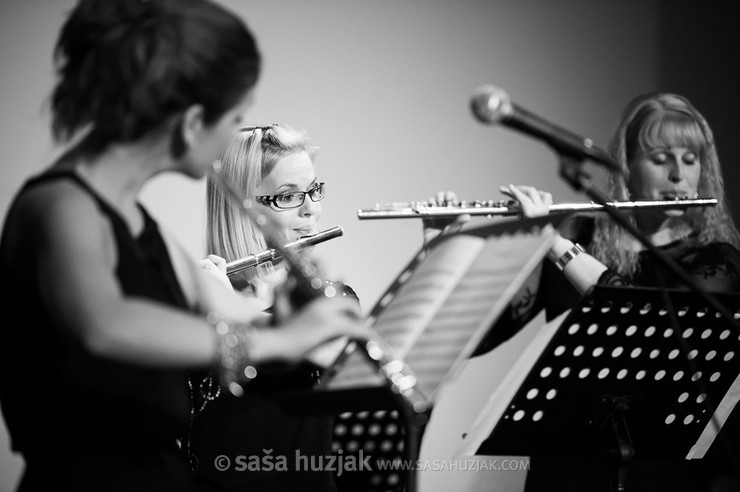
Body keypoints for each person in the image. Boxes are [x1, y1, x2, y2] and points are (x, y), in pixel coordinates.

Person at [0, 2, 365, 491]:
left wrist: (292, 316)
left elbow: (239, 321)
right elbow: (106, 325)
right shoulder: (61, 205)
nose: (232, 137)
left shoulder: (141, 227)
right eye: (234, 115)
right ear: (193, 121)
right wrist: (282, 339)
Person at [189, 124, 468, 491]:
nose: (312, 210)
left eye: (314, 190)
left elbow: (393, 370)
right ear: (240, 208)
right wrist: (209, 301)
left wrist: (436, 258)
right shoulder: (194, 302)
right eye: (289, 196)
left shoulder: (330, 301)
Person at [493, 93, 740, 491]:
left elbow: (646, 323)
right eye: (661, 159)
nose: (679, 174)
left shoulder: (716, 261)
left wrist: (554, 243)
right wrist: (442, 247)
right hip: (564, 468)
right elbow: (489, 330)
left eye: (690, 159)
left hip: (656, 472)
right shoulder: (578, 234)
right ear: (627, 166)